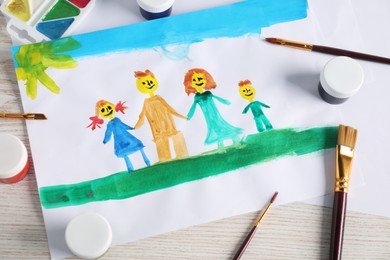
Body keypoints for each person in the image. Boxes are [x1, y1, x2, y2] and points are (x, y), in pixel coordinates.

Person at [134, 70, 188, 162]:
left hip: (169, 125)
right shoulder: (146, 102)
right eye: (144, 83)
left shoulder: (159, 98)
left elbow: (170, 109)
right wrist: (135, 127)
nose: (148, 84)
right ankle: (165, 159)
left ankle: (183, 155)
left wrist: (182, 116)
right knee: (162, 146)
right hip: (157, 129)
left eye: (150, 81)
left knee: (176, 137)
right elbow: (142, 116)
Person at [183, 68, 242, 148]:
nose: (198, 81)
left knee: (223, 127)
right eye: (194, 80)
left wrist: (225, 101)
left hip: (216, 115)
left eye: (200, 79)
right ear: (191, 83)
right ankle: (221, 147)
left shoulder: (208, 93)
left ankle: (236, 142)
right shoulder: (197, 97)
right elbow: (193, 107)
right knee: (215, 130)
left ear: (206, 80)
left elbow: (216, 98)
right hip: (209, 119)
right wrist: (189, 115)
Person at [87, 100, 150, 172]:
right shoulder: (110, 124)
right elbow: (108, 133)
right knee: (125, 153)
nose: (107, 111)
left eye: (109, 107)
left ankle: (147, 162)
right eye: (103, 110)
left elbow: (123, 125)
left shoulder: (117, 120)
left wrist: (130, 128)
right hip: (120, 141)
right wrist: (105, 140)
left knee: (138, 146)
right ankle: (130, 169)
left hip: (127, 137)